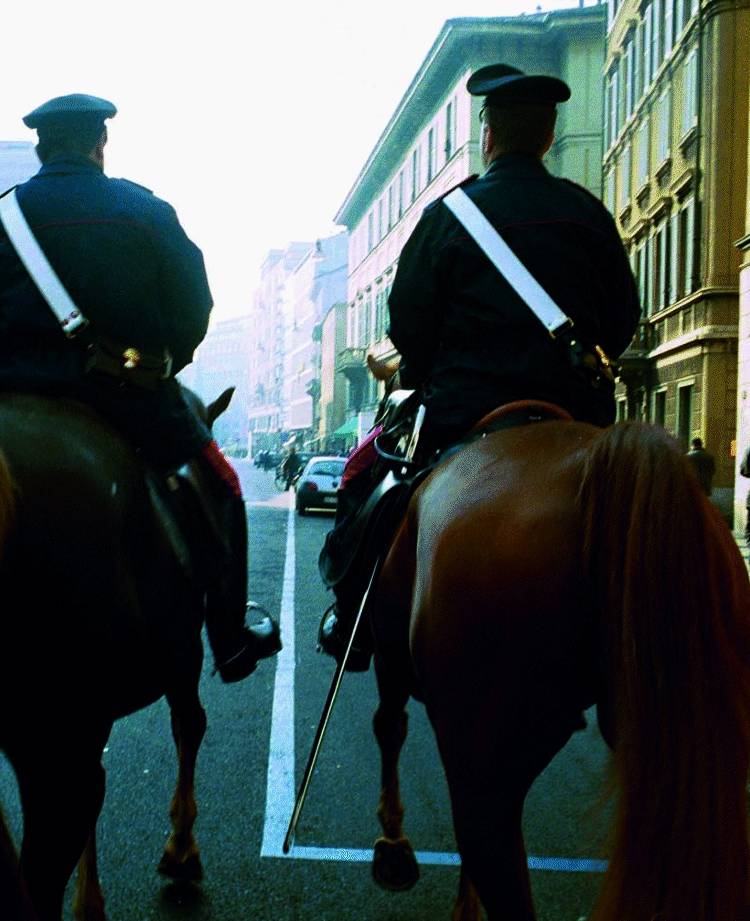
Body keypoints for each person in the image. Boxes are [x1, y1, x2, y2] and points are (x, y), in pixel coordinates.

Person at [318, 63, 641, 667]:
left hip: (462, 412)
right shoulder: (586, 213)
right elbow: (622, 319)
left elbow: (408, 325)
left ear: (487, 135)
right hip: (578, 416)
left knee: (367, 482)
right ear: (548, 138)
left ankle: (352, 619)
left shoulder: (449, 216)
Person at [0, 94, 280, 682]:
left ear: (40, 150)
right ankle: (229, 634)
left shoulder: (3, 214)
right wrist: (162, 363)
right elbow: (193, 309)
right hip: (124, 396)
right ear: (101, 145)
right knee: (222, 488)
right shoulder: (143, 210)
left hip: (7, 395)